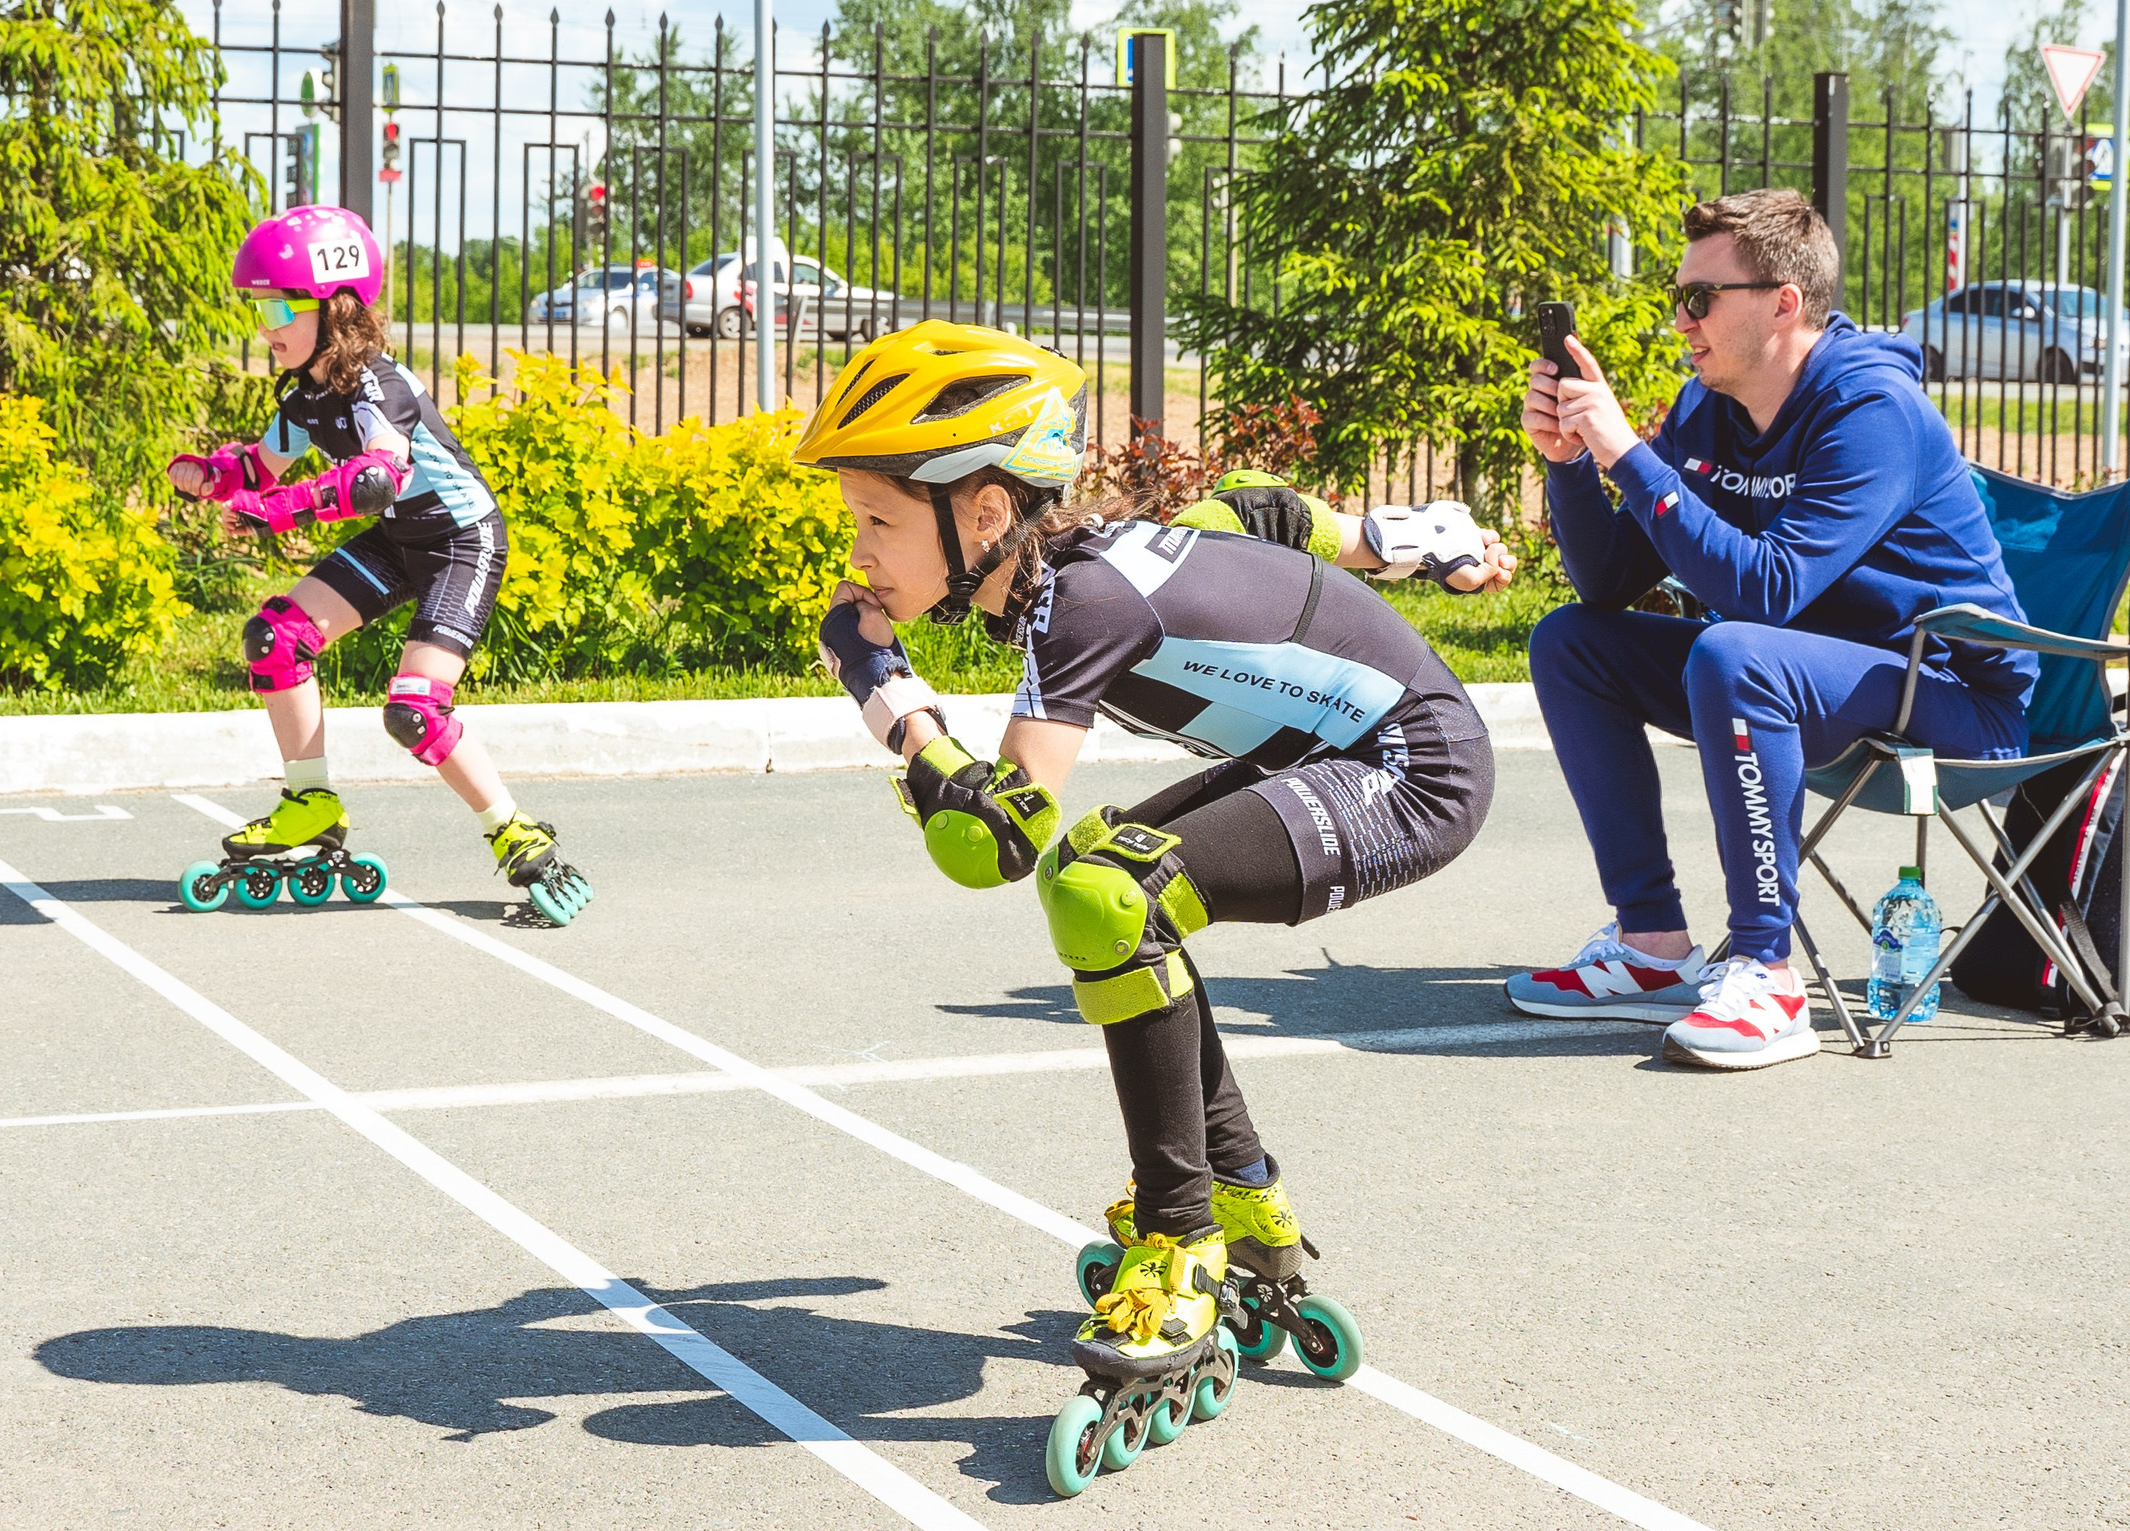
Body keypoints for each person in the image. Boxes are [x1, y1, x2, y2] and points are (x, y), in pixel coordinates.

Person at [794, 320, 1507, 1413]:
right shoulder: (1087, 562)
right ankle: (1240, 1193)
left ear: (984, 513)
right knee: (1097, 873)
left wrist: (887, 695)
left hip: (1414, 769)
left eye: (878, 519)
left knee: (1105, 891)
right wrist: (1402, 537)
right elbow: (1256, 515)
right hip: (1332, 752)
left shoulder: (1083, 601)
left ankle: (1180, 1241)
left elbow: (994, 838)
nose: (859, 552)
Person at [1511, 187, 2035, 1066]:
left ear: (1784, 303)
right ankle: (1652, 946)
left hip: (1951, 695)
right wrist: (1570, 463)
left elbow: (1767, 590)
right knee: (1571, 643)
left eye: (1700, 298)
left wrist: (1628, 454)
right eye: (1678, 296)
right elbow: (1607, 580)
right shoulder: (1708, 407)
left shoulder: (1872, 411)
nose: (1681, 320)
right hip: (1809, 673)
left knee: (1735, 652)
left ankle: (1767, 972)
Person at [168, 205, 592, 923]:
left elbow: (375, 480)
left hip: (460, 541)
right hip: (399, 541)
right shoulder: (307, 396)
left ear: (332, 308)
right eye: (258, 309)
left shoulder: (378, 387)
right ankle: (310, 802)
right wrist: (214, 476)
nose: (265, 327)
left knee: (413, 710)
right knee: (275, 639)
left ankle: (519, 835)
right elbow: (260, 467)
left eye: (277, 308)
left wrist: (279, 512)